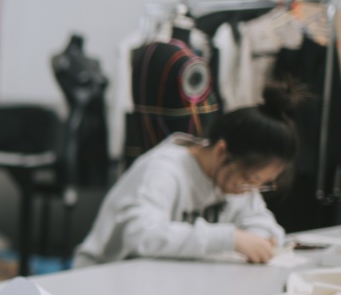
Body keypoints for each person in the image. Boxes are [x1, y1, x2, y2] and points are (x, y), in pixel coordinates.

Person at [73, 80, 306, 268]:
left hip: (168, 279)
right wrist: (231, 238)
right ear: (221, 151)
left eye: (261, 184)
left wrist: (260, 238)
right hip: (107, 275)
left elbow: (260, 220)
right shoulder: (164, 170)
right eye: (250, 179)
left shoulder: (234, 175)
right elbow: (142, 235)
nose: (249, 190)